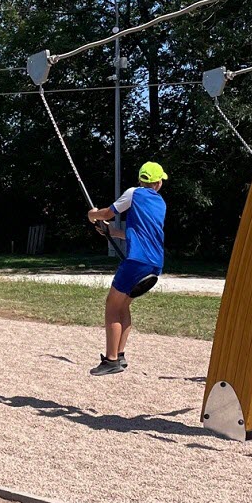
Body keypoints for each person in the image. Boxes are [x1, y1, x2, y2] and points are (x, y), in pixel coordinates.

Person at [84, 161, 168, 375]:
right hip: (155, 262)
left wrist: (93, 215)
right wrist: (111, 232)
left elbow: (107, 213)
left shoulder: (134, 193)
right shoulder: (160, 203)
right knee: (123, 306)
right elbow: (139, 234)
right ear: (158, 183)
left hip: (136, 261)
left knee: (112, 306)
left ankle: (111, 360)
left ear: (141, 180)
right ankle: (119, 355)